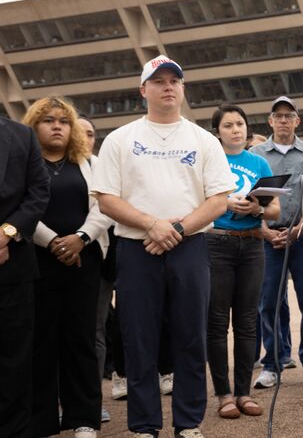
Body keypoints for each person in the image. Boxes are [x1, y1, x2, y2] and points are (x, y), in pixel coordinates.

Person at [92, 55, 236, 438]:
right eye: (158, 81)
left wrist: (174, 229)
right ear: (144, 90)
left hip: (189, 248)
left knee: (190, 336)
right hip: (136, 250)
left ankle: (188, 423)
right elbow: (106, 199)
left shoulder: (203, 139)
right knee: (139, 338)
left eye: (175, 80)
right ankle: (144, 425)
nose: (168, 86)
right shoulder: (121, 139)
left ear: (183, 88)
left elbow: (219, 199)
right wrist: (152, 225)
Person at [22, 98, 112, 438]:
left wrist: (81, 238)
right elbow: (19, 206)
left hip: (84, 260)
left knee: (82, 339)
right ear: (33, 126)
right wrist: (54, 243)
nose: (57, 125)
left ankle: (84, 417)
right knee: (41, 340)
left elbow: (105, 205)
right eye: (47, 120)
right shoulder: (24, 165)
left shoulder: (89, 162)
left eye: (63, 120)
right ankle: (41, 419)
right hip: (38, 261)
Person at [206, 104, 280, 419]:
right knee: (218, 322)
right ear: (217, 131)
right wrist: (226, 203)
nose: (236, 130)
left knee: (248, 322)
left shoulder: (259, 162)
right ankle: (223, 395)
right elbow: (198, 201)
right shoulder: (210, 162)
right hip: (216, 244)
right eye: (228, 125)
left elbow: (275, 208)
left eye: (240, 124)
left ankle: (244, 393)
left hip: (251, 245)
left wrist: (257, 210)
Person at [252, 96, 303, 389]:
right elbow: (251, 198)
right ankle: (272, 363)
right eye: (278, 115)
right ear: (270, 121)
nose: (283, 120)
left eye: (289, 115)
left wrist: (299, 227)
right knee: (268, 301)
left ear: (297, 121)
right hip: (267, 237)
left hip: (300, 236)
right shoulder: (257, 154)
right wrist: (265, 231)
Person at [0, 117, 50, 437]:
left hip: (13, 267)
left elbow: (39, 191)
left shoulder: (22, 135)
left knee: (14, 361)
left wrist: (6, 234)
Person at [78, 113, 115, 424]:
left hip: (95, 259)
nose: (85, 138)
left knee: (95, 331)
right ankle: (58, 399)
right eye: (81, 132)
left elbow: (106, 208)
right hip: (50, 258)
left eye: (90, 133)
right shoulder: (42, 165)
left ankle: (92, 399)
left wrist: (80, 237)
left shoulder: (100, 166)